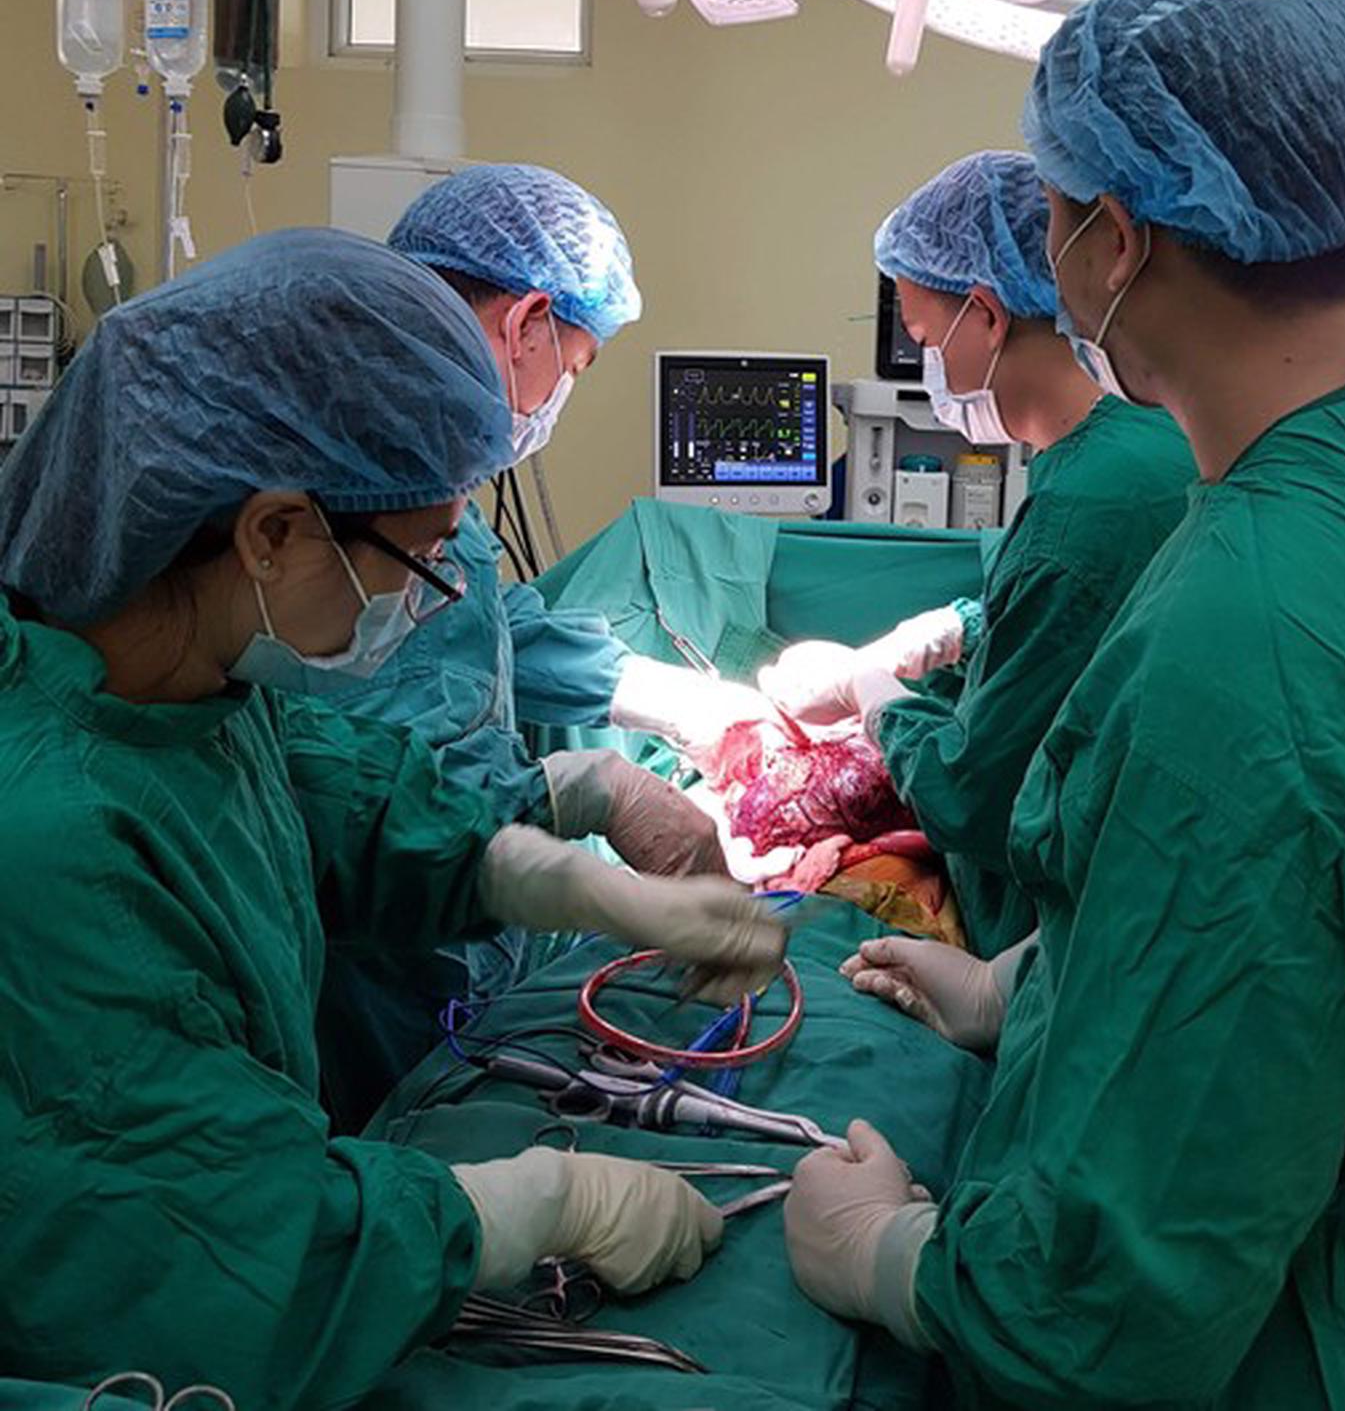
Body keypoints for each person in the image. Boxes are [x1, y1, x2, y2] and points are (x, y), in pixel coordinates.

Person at [782, 0, 1345, 1410]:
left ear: (1113, 239)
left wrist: (893, 1256)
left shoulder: (1238, 639)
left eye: (1052, 212)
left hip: (1268, 1347)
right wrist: (1028, 990)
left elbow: (1122, 1301)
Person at [0, 229, 785, 1406]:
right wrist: (541, 1204)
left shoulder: (187, 685)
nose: (435, 598)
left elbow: (348, 804)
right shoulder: (55, 840)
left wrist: (569, 868)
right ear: (272, 534)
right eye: (418, 561)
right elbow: (213, 1257)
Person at [312, 165, 779, 1121]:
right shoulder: (358, 487)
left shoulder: (419, 463)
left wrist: (658, 693)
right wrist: (579, 795)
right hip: (383, 967)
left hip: (463, 934)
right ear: (527, 323)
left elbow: (484, 614)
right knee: (405, 1139)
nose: (566, 389)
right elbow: (353, 779)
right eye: (578, 362)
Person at [759, 150, 1193, 954]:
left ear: (988, 316)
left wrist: (867, 690)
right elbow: (1080, 625)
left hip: (1057, 933)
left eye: (926, 338)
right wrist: (959, 628)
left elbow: (973, 798)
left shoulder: (1084, 508)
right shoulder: (1144, 439)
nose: (929, 364)